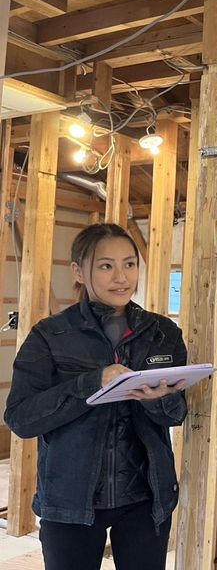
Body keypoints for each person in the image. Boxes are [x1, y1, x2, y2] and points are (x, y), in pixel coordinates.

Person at [4, 223, 188, 570]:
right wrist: (91, 383)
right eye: (106, 266)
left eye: (129, 264)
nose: (121, 277)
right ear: (78, 271)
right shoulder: (50, 335)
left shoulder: (162, 332)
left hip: (146, 499)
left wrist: (157, 399)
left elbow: (176, 414)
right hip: (70, 502)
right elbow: (21, 418)